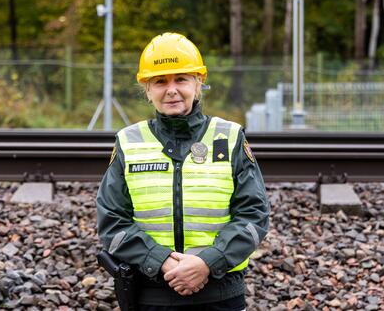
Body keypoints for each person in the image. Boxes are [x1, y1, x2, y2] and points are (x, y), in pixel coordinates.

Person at [97, 32, 270, 311]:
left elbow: (254, 215)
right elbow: (111, 222)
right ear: (147, 89)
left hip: (221, 295)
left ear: (198, 83)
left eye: (181, 79)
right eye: (160, 81)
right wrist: (161, 260)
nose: (171, 89)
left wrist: (207, 262)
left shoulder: (230, 137)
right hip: (150, 296)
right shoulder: (129, 142)